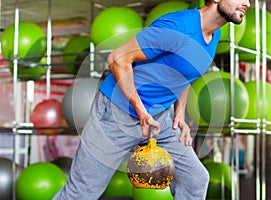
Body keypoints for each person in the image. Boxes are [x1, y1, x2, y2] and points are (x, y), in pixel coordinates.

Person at [53, 0, 250, 199]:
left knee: (195, 179)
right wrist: (140, 110)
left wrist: (179, 113)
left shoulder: (213, 34)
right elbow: (117, 58)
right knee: (82, 193)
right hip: (117, 113)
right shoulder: (177, 27)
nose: (247, 3)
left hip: (158, 118)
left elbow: (185, 73)